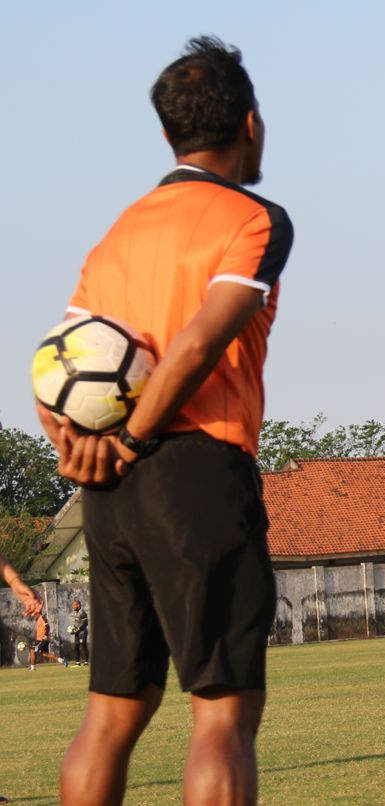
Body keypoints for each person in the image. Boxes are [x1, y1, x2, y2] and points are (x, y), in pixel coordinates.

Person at [35, 36, 291, 805]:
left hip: (110, 493)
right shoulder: (253, 218)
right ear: (251, 123)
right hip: (198, 472)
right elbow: (199, 344)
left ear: (166, 134)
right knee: (222, 715)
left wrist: (79, 450)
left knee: (112, 713)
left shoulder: (119, 231)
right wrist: (141, 434)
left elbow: (59, 364)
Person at [70, 599, 90, 667]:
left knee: (83, 646)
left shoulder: (82, 612)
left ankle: (86, 662)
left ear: (78, 605)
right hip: (77, 633)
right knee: (76, 647)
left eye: (74, 605)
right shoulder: (76, 612)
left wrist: (78, 628)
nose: (73, 607)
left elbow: (85, 623)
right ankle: (77, 662)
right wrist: (73, 628)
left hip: (82, 632)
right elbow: (77, 623)